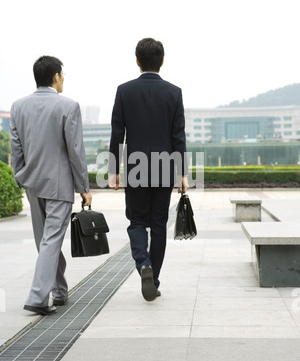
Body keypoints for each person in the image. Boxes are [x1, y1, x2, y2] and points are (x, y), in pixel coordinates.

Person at [10, 56, 92, 316]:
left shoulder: (18, 106)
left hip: (32, 184)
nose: (64, 78)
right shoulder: (69, 106)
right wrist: (84, 187)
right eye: (63, 74)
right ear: (56, 75)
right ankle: (37, 297)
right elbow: (75, 151)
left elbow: (16, 147)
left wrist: (21, 175)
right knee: (50, 241)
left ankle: (59, 291)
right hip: (59, 185)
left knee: (44, 241)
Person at [109, 38, 188, 302]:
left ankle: (143, 263)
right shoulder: (174, 92)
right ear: (162, 61)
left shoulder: (124, 91)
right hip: (165, 167)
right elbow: (178, 136)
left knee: (137, 221)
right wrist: (183, 174)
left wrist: (113, 170)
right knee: (158, 224)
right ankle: (152, 279)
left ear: (137, 60)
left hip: (135, 167)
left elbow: (117, 133)